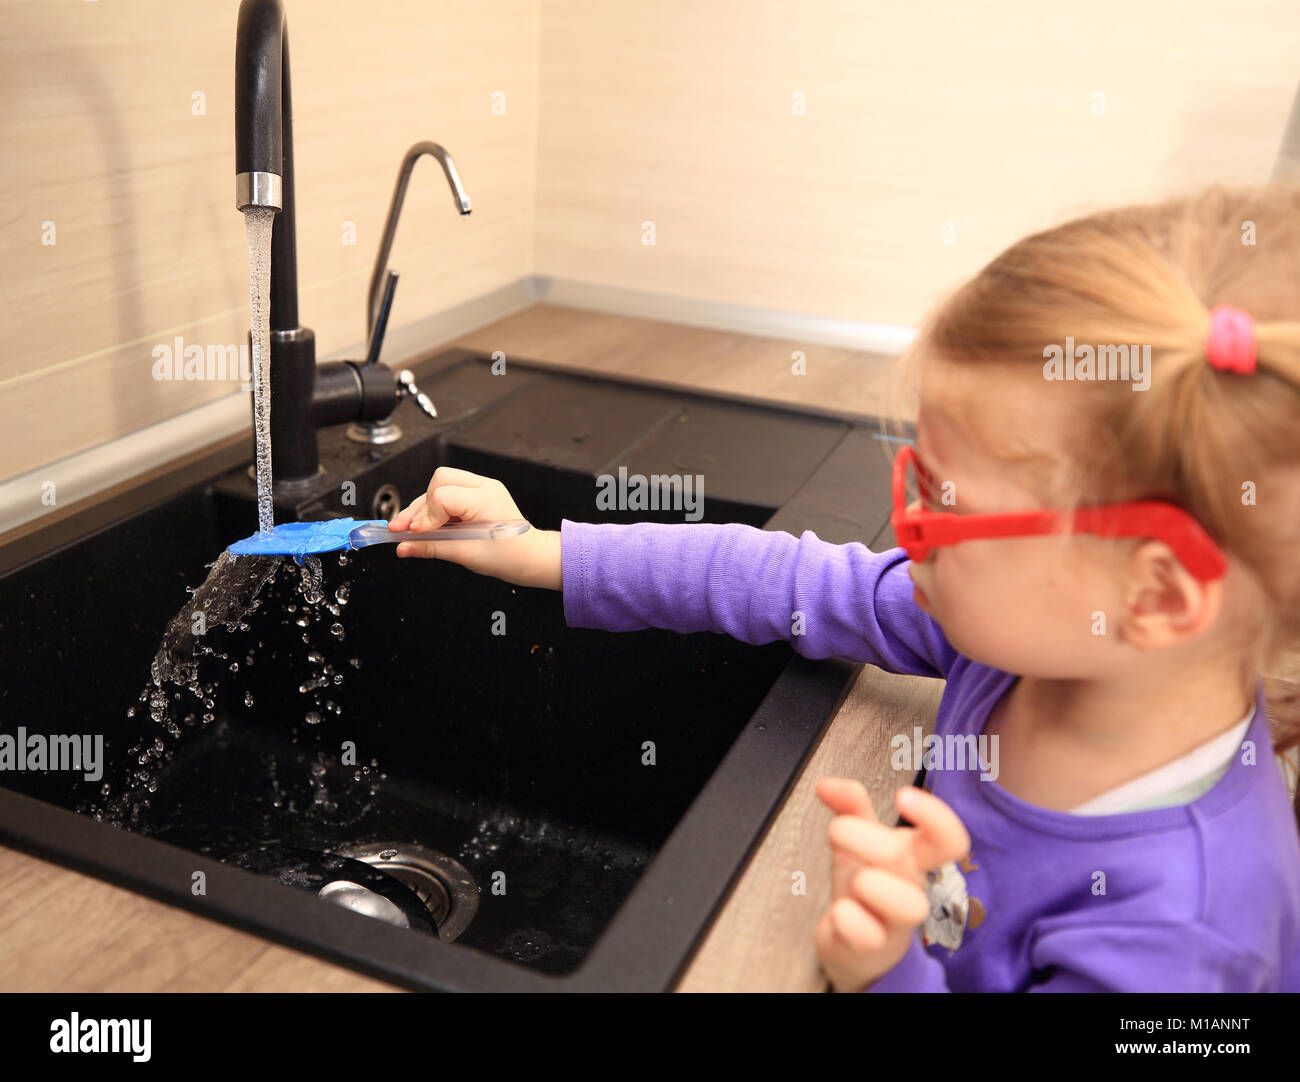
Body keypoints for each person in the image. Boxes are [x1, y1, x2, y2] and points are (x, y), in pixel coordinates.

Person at [389, 185, 1300, 991]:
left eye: (944, 503)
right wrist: (539, 550)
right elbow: (778, 579)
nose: (904, 525)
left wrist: (891, 968)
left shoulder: (1188, 928)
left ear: (1157, 596)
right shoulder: (1025, 649)